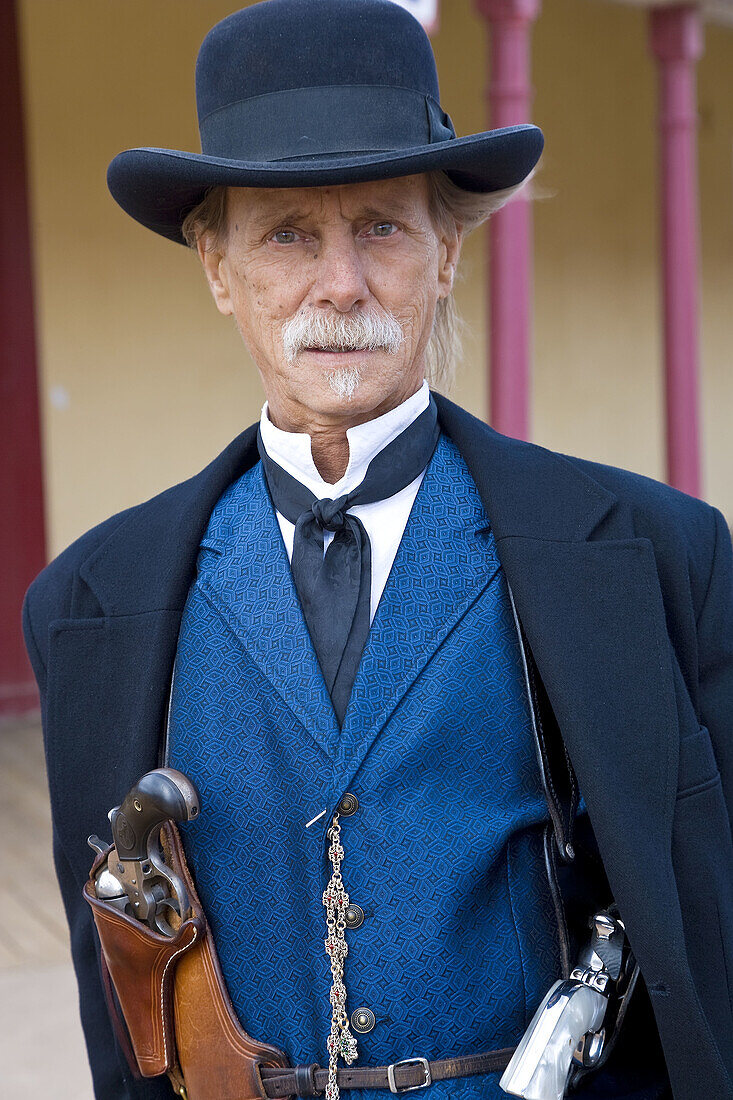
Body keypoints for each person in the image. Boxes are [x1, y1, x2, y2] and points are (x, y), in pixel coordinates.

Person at [22, 2, 733, 1098]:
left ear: (447, 249)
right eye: (287, 235)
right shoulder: (89, 603)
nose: (341, 285)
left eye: (382, 228)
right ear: (218, 269)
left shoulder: (655, 559)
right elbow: (115, 1005)